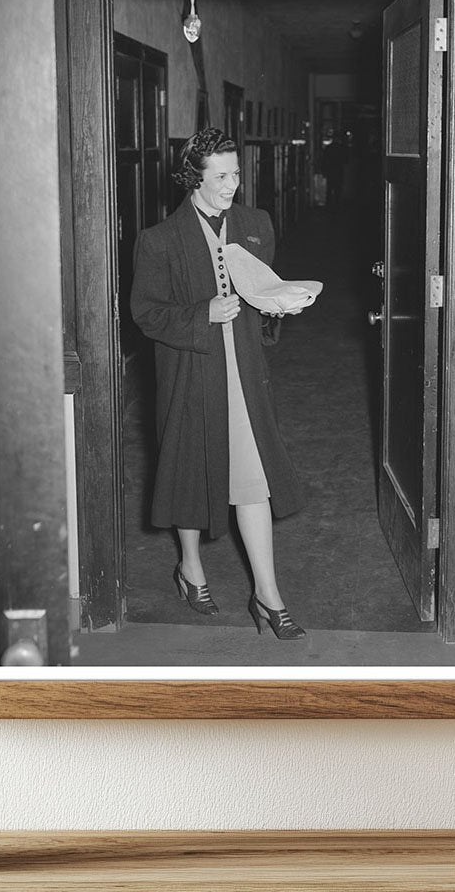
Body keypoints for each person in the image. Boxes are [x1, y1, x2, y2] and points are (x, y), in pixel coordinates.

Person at [129, 127, 308, 639]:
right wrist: (201, 313)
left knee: (253, 477)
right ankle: (190, 566)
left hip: (245, 375)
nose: (234, 184)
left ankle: (267, 596)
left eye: (237, 173)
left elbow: (263, 288)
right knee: (190, 471)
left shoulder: (256, 224)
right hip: (191, 374)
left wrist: (278, 307)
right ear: (195, 178)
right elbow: (146, 314)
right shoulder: (159, 240)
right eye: (222, 176)